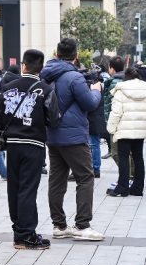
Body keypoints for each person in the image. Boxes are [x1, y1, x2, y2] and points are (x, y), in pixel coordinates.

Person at [0, 49, 59, 250]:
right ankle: (26, 235)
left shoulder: (8, 87)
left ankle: (17, 230)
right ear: (41, 69)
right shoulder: (46, 90)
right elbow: (54, 120)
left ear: (23, 66)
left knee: (14, 188)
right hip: (33, 145)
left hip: (12, 146)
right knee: (28, 190)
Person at [40, 38, 104, 241]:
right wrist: (96, 92)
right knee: (85, 177)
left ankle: (59, 225)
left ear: (57, 54)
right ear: (76, 56)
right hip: (73, 136)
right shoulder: (75, 77)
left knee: (56, 179)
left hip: (52, 134)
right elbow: (89, 104)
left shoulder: (45, 75)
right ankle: (82, 225)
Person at [106, 68, 146, 198]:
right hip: (140, 129)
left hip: (124, 129)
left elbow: (116, 112)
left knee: (124, 157)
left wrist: (111, 129)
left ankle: (122, 187)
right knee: (138, 157)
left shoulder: (121, 90)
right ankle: (138, 188)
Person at [103, 56, 126, 166]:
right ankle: (127, 177)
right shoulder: (126, 79)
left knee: (116, 153)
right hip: (125, 121)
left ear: (112, 69)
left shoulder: (113, 83)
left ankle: (128, 177)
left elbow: (110, 104)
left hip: (116, 121)